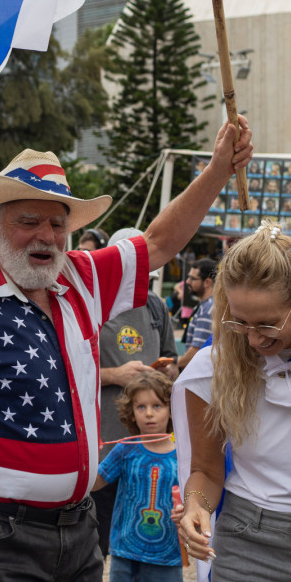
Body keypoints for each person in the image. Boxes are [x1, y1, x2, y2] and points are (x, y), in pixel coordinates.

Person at [0, 117, 252, 582]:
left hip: (81, 531)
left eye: (57, 223)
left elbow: (160, 242)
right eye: (28, 221)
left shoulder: (81, 277)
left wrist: (218, 170)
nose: (47, 236)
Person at [174, 224, 291, 582]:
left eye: (267, 323)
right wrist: (196, 506)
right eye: (239, 321)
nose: (252, 338)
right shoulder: (212, 368)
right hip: (248, 546)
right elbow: (207, 470)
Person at [93, 228, 178, 558]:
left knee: (139, 537)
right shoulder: (93, 307)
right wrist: (114, 374)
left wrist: (167, 372)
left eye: (147, 275)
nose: (141, 283)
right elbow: (62, 372)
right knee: (96, 545)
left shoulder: (156, 307)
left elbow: (172, 362)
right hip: (103, 446)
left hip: (147, 449)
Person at [93, 371, 181, 582]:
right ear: (131, 413)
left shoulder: (183, 455)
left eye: (157, 406)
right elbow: (95, 483)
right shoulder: (125, 449)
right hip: (124, 558)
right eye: (141, 407)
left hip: (168, 561)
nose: (149, 413)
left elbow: (195, 499)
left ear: (172, 409)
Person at [179, 258, 217, 369]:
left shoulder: (208, 309)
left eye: (192, 278)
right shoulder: (204, 305)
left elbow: (197, 350)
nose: (187, 282)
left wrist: (175, 365)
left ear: (207, 282)